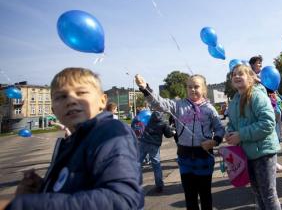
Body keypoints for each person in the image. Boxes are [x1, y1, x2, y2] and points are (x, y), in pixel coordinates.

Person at [5, 67, 143, 209]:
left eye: (81, 92)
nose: (70, 100)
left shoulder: (110, 132)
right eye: (61, 96)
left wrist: (26, 205)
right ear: (53, 109)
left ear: (103, 101)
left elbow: (122, 200)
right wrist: (44, 189)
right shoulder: (74, 141)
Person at [135, 74, 225, 210]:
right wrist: (145, 88)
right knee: (190, 196)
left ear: (204, 89)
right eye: (190, 87)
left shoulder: (209, 109)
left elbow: (219, 128)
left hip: (204, 157)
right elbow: (159, 103)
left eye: (196, 86)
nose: (193, 89)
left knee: (205, 195)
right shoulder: (178, 106)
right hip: (185, 157)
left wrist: (214, 141)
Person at [226, 64, 281, 210]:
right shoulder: (234, 101)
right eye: (234, 74)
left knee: (268, 194)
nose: (236, 76)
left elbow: (268, 122)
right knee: (257, 193)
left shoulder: (257, 96)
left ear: (251, 78)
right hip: (247, 153)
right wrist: (230, 132)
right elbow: (232, 123)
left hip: (263, 153)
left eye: (241, 74)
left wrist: (241, 135)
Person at [249, 55, 282, 173]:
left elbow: (273, 88)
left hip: (274, 106)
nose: (260, 65)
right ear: (252, 65)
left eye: (260, 63)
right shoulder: (250, 78)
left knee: (277, 133)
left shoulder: (265, 74)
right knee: (269, 134)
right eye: (258, 63)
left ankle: (274, 161)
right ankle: (271, 163)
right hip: (263, 109)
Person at [138, 111, 175, 193]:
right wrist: (173, 131)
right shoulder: (163, 122)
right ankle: (159, 186)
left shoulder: (150, 119)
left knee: (137, 163)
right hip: (154, 145)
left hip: (144, 141)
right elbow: (168, 135)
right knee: (156, 165)